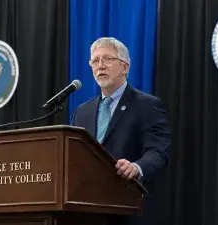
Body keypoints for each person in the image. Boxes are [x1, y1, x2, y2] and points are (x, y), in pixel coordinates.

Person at [71, 37, 170, 225]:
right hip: (88, 211)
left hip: (129, 208)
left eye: (107, 59)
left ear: (125, 67)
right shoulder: (82, 112)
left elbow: (158, 152)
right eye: (95, 61)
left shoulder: (147, 105)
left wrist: (136, 167)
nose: (100, 66)